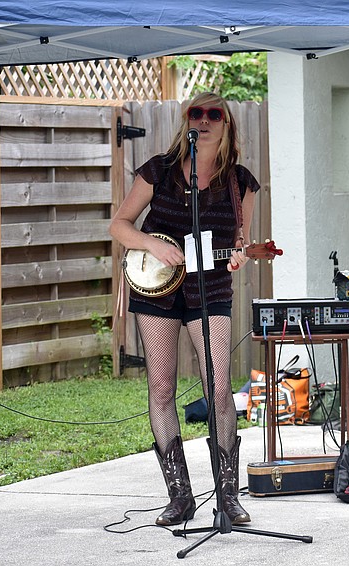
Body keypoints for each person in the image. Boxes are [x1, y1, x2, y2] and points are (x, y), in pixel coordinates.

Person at [110, 92, 259, 526]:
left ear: (228, 124)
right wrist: (151, 242)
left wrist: (240, 255)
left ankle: (228, 497)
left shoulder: (240, 182)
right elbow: (119, 224)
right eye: (198, 112)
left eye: (216, 114)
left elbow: (240, 240)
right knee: (161, 386)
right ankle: (180, 497)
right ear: (186, 120)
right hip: (156, 288)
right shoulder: (158, 170)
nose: (207, 120)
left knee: (217, 387)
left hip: (211, 286)